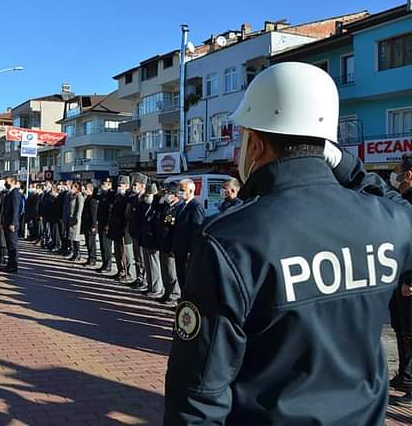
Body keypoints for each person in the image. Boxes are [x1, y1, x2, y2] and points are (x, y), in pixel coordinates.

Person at [164, 62, 412, 425]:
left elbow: (199, 394)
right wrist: (344, 163)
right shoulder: (385, 220)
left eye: (244, 138)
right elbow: (400, 206)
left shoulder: (231, 239)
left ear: (258, 145)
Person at [389, 153, 412, 396]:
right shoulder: (402, 200)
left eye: (397, 171)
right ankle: (404, 374)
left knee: (410, 331)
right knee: (401, 328)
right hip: (398, 277)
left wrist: (409, 278)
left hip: (408, 279)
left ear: (409, 174)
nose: (393, 177)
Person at [171, 178, 205, 291]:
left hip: (187, 251)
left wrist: (192, 250)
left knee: (187, 278)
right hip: (179, 248)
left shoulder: (196, 207)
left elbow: (196, 230)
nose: (179, 192)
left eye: (182, 189)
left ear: (190, 191)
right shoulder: (181, 205)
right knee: (180, 277)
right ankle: (182, 300)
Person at [156, 183, 182, 305]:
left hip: (171, 245)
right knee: (164, 271)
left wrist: (174, 246)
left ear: (175, 195)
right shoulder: (167, 207)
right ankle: (167, 293)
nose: (166, 195)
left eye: (169, 193)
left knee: (172, 273)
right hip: (162, 243)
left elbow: (176, 230)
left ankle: (174, 295)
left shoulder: (179, 208)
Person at [139, 183, 164, 299]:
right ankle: (150, 286)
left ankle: (156, 288)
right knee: (148, 264)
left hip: (153, 240)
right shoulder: (148, 205)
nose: (148, 196)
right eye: (147, 193)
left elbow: (157, 222)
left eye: (150, 193)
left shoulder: (159, 206)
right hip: (146, 239)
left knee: (154, 265)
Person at [107, 175, 132, 280]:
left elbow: (127, 215)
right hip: (115, 229)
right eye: (118, 185)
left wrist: (124, 229)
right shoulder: (117, 196)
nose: (119, 187)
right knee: (117, 253)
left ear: (126, 186)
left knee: (125, 254)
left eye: (121, 185)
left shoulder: (129, 197)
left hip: (124, 230)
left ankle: (127, 273)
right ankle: (120, 270)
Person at [128, 174, 148, 289]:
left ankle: (143, 279)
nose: (133, 187)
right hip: (134, 232)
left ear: (142, 186)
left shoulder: (146, 199)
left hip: (141, 233)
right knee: (137, 257)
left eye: (135, 185)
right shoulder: (135, 198)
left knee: (141, 257)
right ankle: (138, 277)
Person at [0, 176, 22, 273]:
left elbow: (15, 209)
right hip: (7, 222)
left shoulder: (15, 193)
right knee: (9, 245)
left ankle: (14, 266)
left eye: (7, 182)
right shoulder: (9, 193)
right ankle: (10, 264)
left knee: (13, 246)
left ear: (12, 182)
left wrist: (13, 223)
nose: (5, 183)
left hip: (12, 224)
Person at [95, 178, 115, 274]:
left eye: (105, 184)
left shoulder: (111, 195)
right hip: (101, 222)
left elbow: (110, 211)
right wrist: (96, 188)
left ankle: (108, 265)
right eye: (102, 184)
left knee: (107, 246)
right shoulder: (102, 194)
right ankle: (104, 263)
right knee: (102, 245)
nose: (102, 185)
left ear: (109, 185)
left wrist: (108, 224)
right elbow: (95, 198)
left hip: (106, 224)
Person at [80, 183, 99, 267]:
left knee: (91, 243)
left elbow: (94, 214)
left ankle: (92, 259)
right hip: (87, 224)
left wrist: (93, 226)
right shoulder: (87, 199)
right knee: (88, 242)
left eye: (86, 189)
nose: (84, 191)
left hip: (91, 226)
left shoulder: (92, 200)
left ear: (90, 190)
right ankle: (90, 258)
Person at [67, 182, 85, 262]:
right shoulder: (73, 196)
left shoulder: (79, 196)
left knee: (76, 237)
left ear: (77, 188)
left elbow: (79, 209)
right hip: (71, 219)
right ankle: (75, 253)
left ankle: (77, 254)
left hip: (76, 220)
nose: (71, 189)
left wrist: (77, 219)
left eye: (73, 187)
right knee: (72, 237)